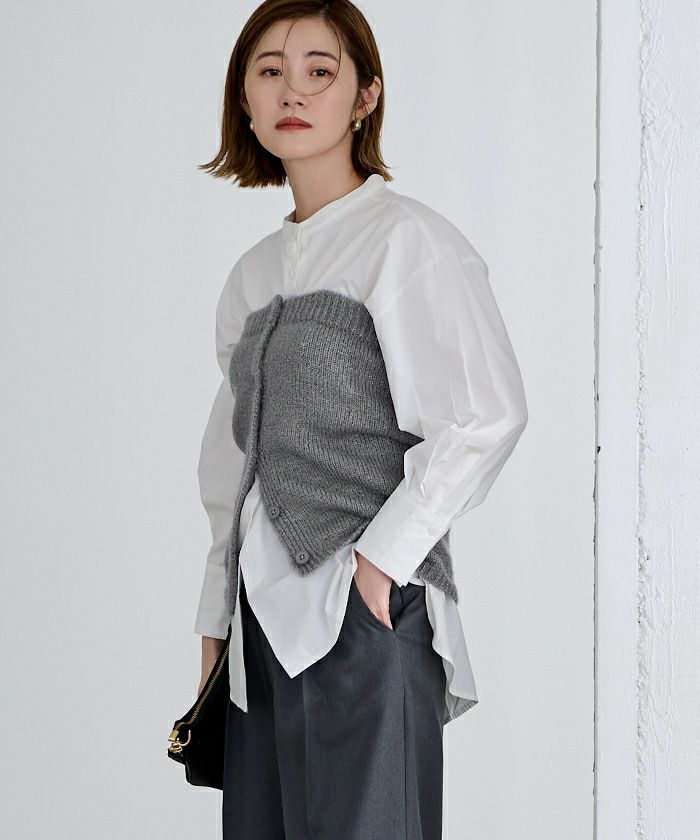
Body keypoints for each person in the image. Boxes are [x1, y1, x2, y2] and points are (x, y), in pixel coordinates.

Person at [192, 2, 529, 837]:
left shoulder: (406, 241)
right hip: (258, 635)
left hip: (363, 617)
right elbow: (231, 473)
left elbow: (485, 413)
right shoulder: (251, 276)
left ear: (365, 96)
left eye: (321, 71)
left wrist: (377, 569)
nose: (293, 91)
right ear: (243, 98)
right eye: (270, 71)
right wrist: (214, 623)